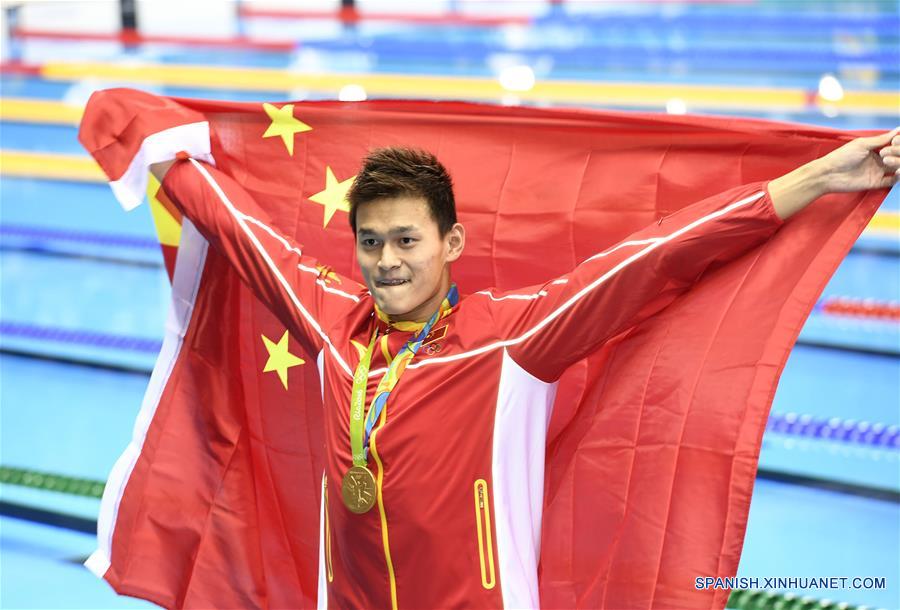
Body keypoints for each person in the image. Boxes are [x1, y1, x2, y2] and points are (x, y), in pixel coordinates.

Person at [149, 131, 899, 609]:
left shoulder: (509, 340)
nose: (387, 262)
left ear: (453, 242)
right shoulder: (332, 326)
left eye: (407, 239)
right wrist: (163, 152)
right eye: (371, 243)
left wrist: (822, 178)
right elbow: (244, 236)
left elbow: (659, 257)